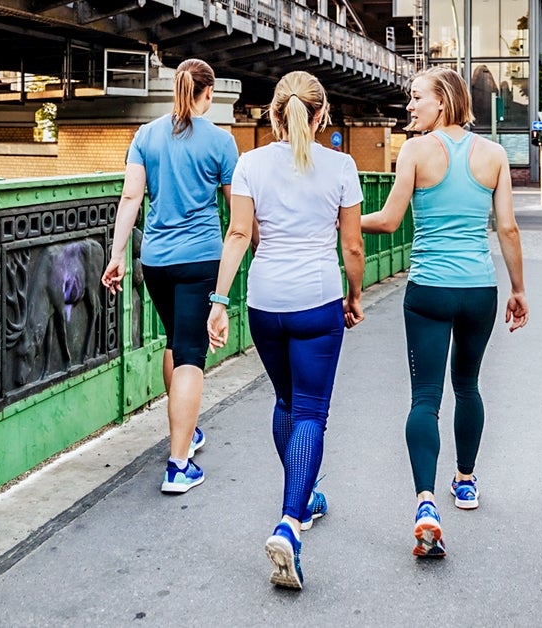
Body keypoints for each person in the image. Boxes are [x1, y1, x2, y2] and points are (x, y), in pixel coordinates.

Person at [361, 66, 528, 559]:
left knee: (425, 398)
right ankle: (467, 482)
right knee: (468, 386)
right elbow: (508, 229)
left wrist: (343, 217)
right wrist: (518, 289)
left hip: (429, 290)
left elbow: (389, 220)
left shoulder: (414, 152)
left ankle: (426, 504)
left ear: (443, 101)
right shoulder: (494, 155)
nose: (409, 106)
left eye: (416, 98)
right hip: (479, 289)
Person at [207, 71, 365, 590]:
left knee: (286, 403)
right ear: (322, 116)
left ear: (273, 114)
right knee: (312, 412)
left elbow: (238, 234)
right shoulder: (341, 165)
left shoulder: (249, 164)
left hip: (265, 302)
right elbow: (353, 248)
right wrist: (355, 293)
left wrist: (219, 299)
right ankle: (289, 523)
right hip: (317, 300)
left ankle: (305, 496)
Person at [102, 58, 238, 494]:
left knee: (175, 343)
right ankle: (179, 464)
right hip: (200, 260)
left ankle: (186, 432)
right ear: (209, 93)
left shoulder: (146, 135)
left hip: (156, 261)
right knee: (192, 356)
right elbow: (238, 213)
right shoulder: (221, 142)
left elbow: (130, 197)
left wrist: (117, 253)